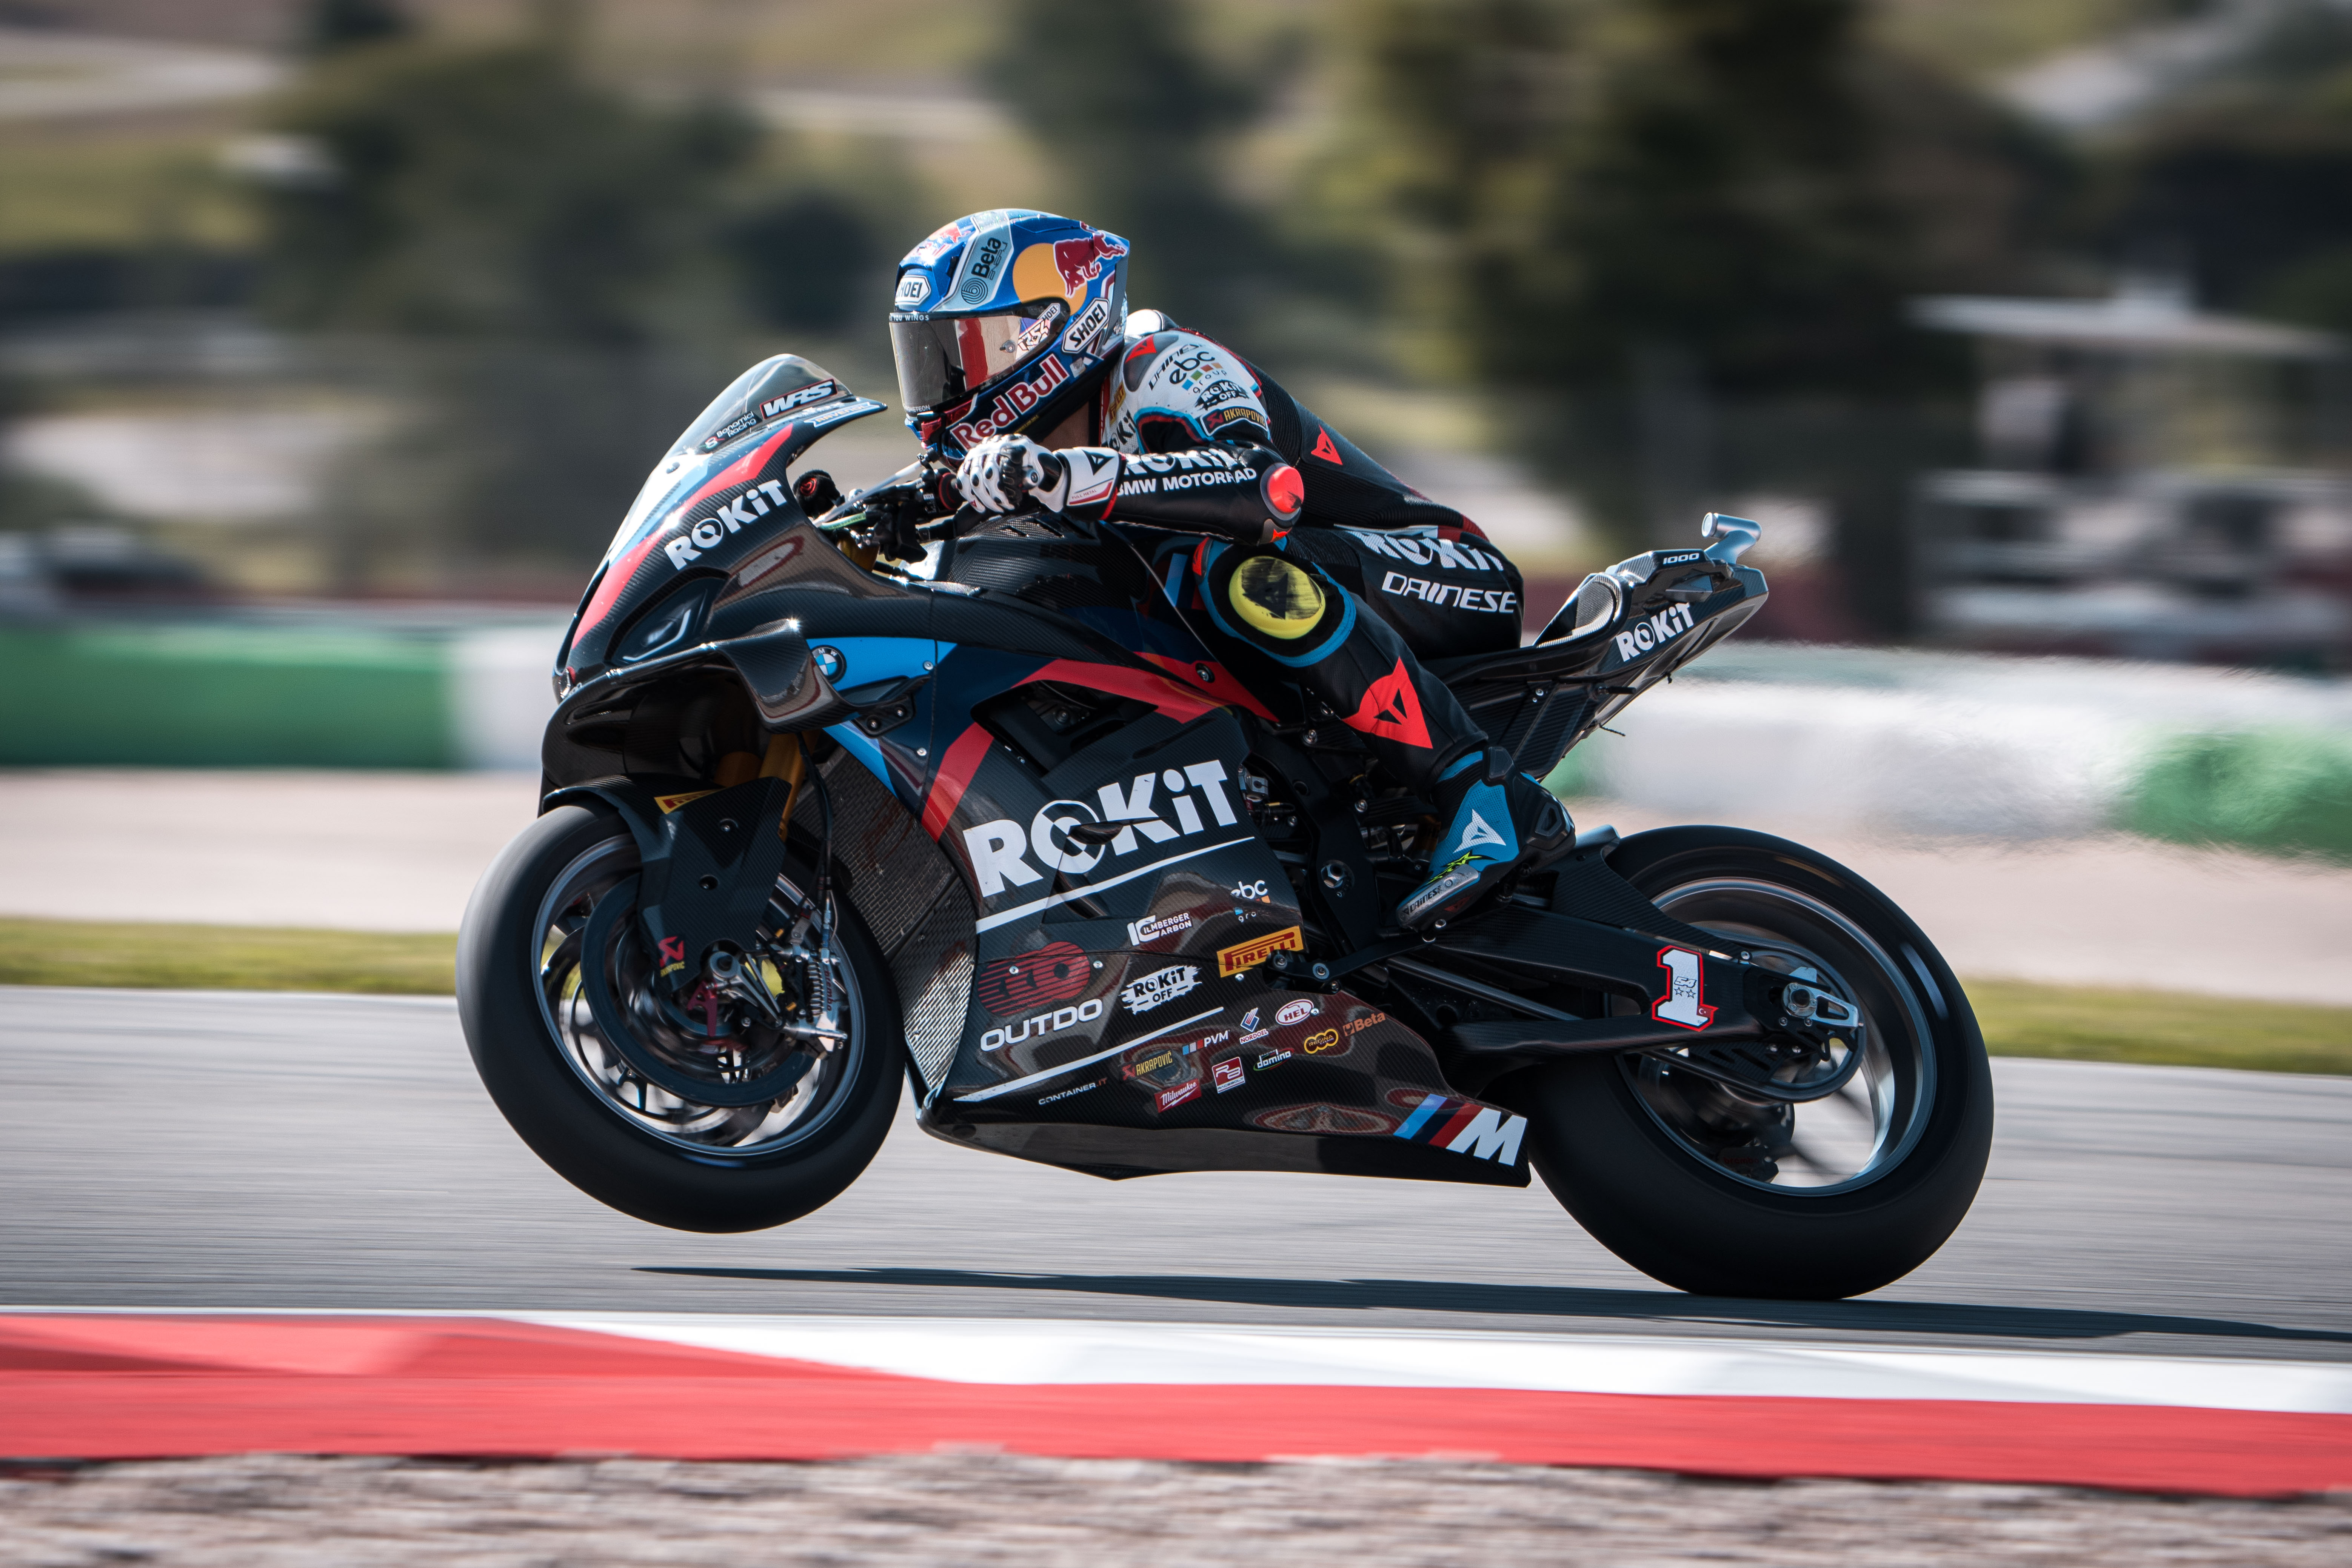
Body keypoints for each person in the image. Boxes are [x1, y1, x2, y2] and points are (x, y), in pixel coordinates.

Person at [888, 208, 1569, 930]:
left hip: (1446, 573)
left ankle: (1486, 790)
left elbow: (1266, 491)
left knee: (1230, 568)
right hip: (1336, 596)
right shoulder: (1000, 462)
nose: (944, 381)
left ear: (1054, 328)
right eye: (926, 356)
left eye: (963, 350)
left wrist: (1068, 477)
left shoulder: (1162, 362)